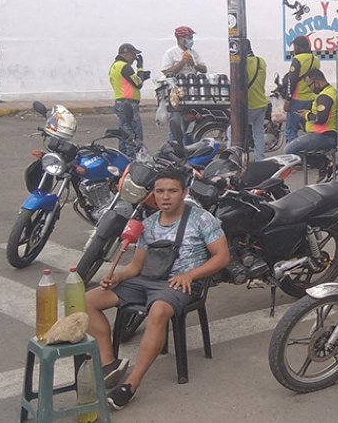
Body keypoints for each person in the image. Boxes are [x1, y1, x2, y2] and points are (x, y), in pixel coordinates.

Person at [85, 168, 230, 410]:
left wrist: (191, 274)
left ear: (184, 193)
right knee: (88, 300)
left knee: (159, 312)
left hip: (180, 283)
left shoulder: (202, 219)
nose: (165, 197)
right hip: (147, 280)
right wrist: (117, 277)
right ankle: (109, 363)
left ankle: (131, 383)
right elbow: (136, 266)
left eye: (172, 191)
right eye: (160, 191)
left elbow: (222, 257)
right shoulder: (149, 223)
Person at [283, 68, 337, 182]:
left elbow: (321, 118)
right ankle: (325, 165)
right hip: (323, 135)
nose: (310, 89)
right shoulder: (328, 92)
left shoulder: (325, 97)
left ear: (317, 82)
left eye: (310, 85)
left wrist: (307, 115)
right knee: (293, 149)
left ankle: (324, 164)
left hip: (324, 136)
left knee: (289, 150)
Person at [161, 26, 207, 144]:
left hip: (191, 94)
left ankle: (182, 148)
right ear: (179, 38)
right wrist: (182, 62)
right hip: (175, 94)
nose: (190, 40)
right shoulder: (171, 53)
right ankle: (172, 150)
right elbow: (166, 72)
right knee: (175, 126)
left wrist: (194, 64)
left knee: (186, 124)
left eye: (191, 38)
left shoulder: (193, 53)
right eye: (188, 38)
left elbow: (204, 69)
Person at [227, 40, 268, 160]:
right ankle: (260, 159)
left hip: (249, 105)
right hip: (261, 103)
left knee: (232, 131)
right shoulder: (262, 62)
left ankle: (232, 159)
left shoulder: (241, 64)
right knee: (258, 133)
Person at [109, 43, 151, 158]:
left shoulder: (114, 66)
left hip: (119, 102)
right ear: (126, 54)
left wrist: (141, 76)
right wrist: (140, 68)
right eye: (133, 55)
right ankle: (133, 160)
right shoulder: (125, 67)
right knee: (134, 135)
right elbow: (138, 83)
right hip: (128, 104)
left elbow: (129, 82)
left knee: (124, 133)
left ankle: (123, 158)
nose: (134, 58)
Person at [283, 36, 320, 143]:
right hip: (311, 99)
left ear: (299, 47)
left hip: (297, 100)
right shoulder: (315, 59)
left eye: (295, 47)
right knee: (309, 128)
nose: (294, 49)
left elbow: (292, 81)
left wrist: (287, 100)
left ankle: (293, 154)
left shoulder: (297, 60)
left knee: (291, 130)